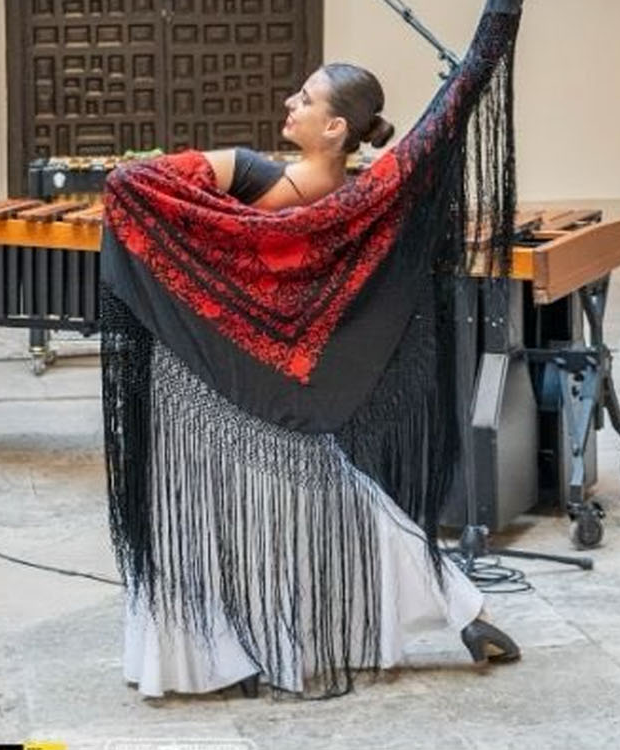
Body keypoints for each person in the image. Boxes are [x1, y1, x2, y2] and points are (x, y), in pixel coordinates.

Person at [101, 0, 523, 700]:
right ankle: (459, 607)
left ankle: (216, 654)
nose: (287, 102)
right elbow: (450, 111)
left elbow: (128, 185)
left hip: (203, 369)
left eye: (304, 97)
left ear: (333, 127)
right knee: (333, 504)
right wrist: (498, 20)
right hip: (272, 382)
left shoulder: (253, 173)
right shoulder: (361, 202)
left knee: (218, 522)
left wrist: (216, 204)